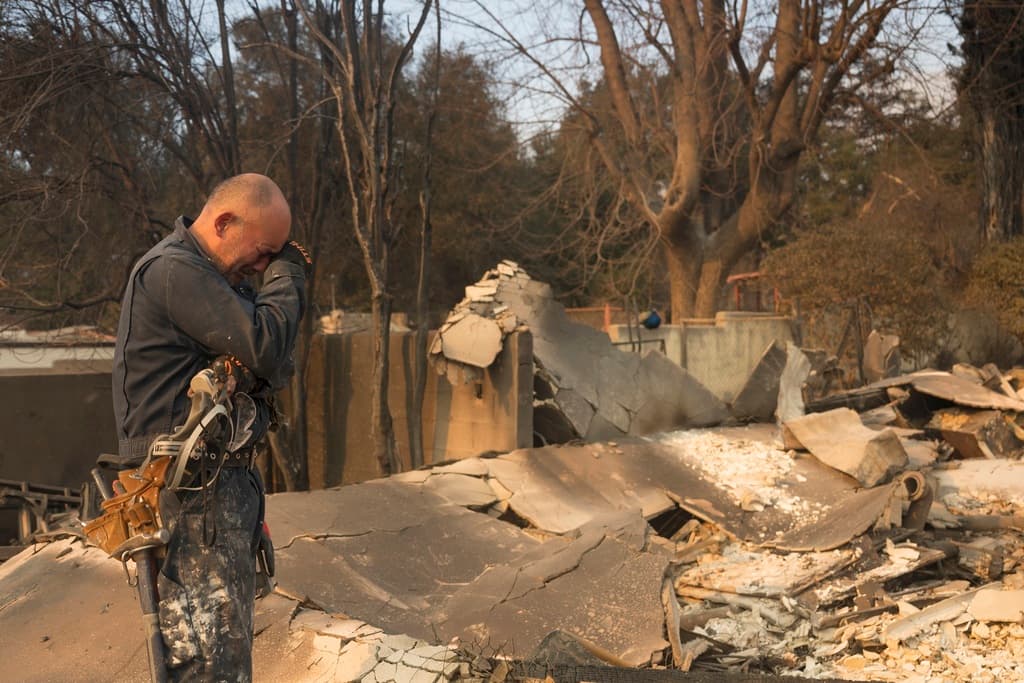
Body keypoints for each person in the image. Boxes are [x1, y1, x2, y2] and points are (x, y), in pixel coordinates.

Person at [111, 173, 309, 681]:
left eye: (273, 258)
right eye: (264, 251)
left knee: (222, 660)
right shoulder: (176, 272)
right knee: (209, 668)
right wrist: (289, 275)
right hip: (193, 498)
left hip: (214, 493)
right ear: (224, 222)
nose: (264, 266)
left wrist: (264, 349)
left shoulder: (211, 277)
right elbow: (266, 347)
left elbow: (275, 361)